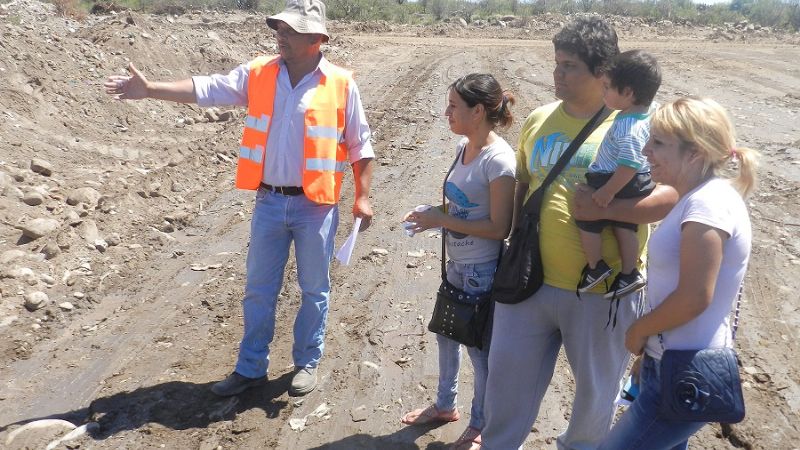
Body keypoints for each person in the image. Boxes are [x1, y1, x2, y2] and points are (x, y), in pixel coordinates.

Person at [103, 0, 374, 397]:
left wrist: (363, 197)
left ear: (316, 38)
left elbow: (361, 146)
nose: (280, 36)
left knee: (314, 289)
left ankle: (307, 362)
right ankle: (250, 367)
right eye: (279, 28)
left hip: (316, 207)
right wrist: (151, 90)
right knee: (258, 289)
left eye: (291, 30)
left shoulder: (341, 84)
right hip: (269, 202)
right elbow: (208, 88)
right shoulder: (259, 73)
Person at [478, 17, 679, 450]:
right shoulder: (538, 120)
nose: (557, 73)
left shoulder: (642, 125)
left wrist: (612, 207)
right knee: (504, 392)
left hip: (601, 293)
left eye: (569, 65)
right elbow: (523, 186)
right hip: (529, 284)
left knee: (594, 404)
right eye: (556, 63)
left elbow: (673, 194)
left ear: (604, 72)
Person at [598, 97, 759, 450]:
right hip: (672, 365)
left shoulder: (708, 204)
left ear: (694, 153)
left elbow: (694, 298)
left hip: (687, 373)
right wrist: (650, 353)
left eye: (658, 143)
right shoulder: (696, 198)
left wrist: (639, 330)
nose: (646, 150)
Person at [399, 74, 516, 450]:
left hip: (482, 270)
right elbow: (462, 205)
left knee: (479, 351)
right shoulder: (464, 147)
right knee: (446, 334)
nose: (446, 113)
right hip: (457, 265)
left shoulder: (499, 161)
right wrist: (431, 214)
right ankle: (445, 405)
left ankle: (480, 425)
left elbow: (499, 227)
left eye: (453, 106)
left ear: (477, 111)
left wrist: (441, 220)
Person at [576, 50, 661, 301]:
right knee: (624, 226)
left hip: (614, 178)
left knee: (585, 216)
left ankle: (596, 266)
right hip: (636, 180)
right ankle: (629, 273)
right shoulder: (649, 111)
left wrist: (608, 191)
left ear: (628, 93)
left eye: (607, 87)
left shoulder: (628, 126)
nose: (602, 92)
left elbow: (629, 163)